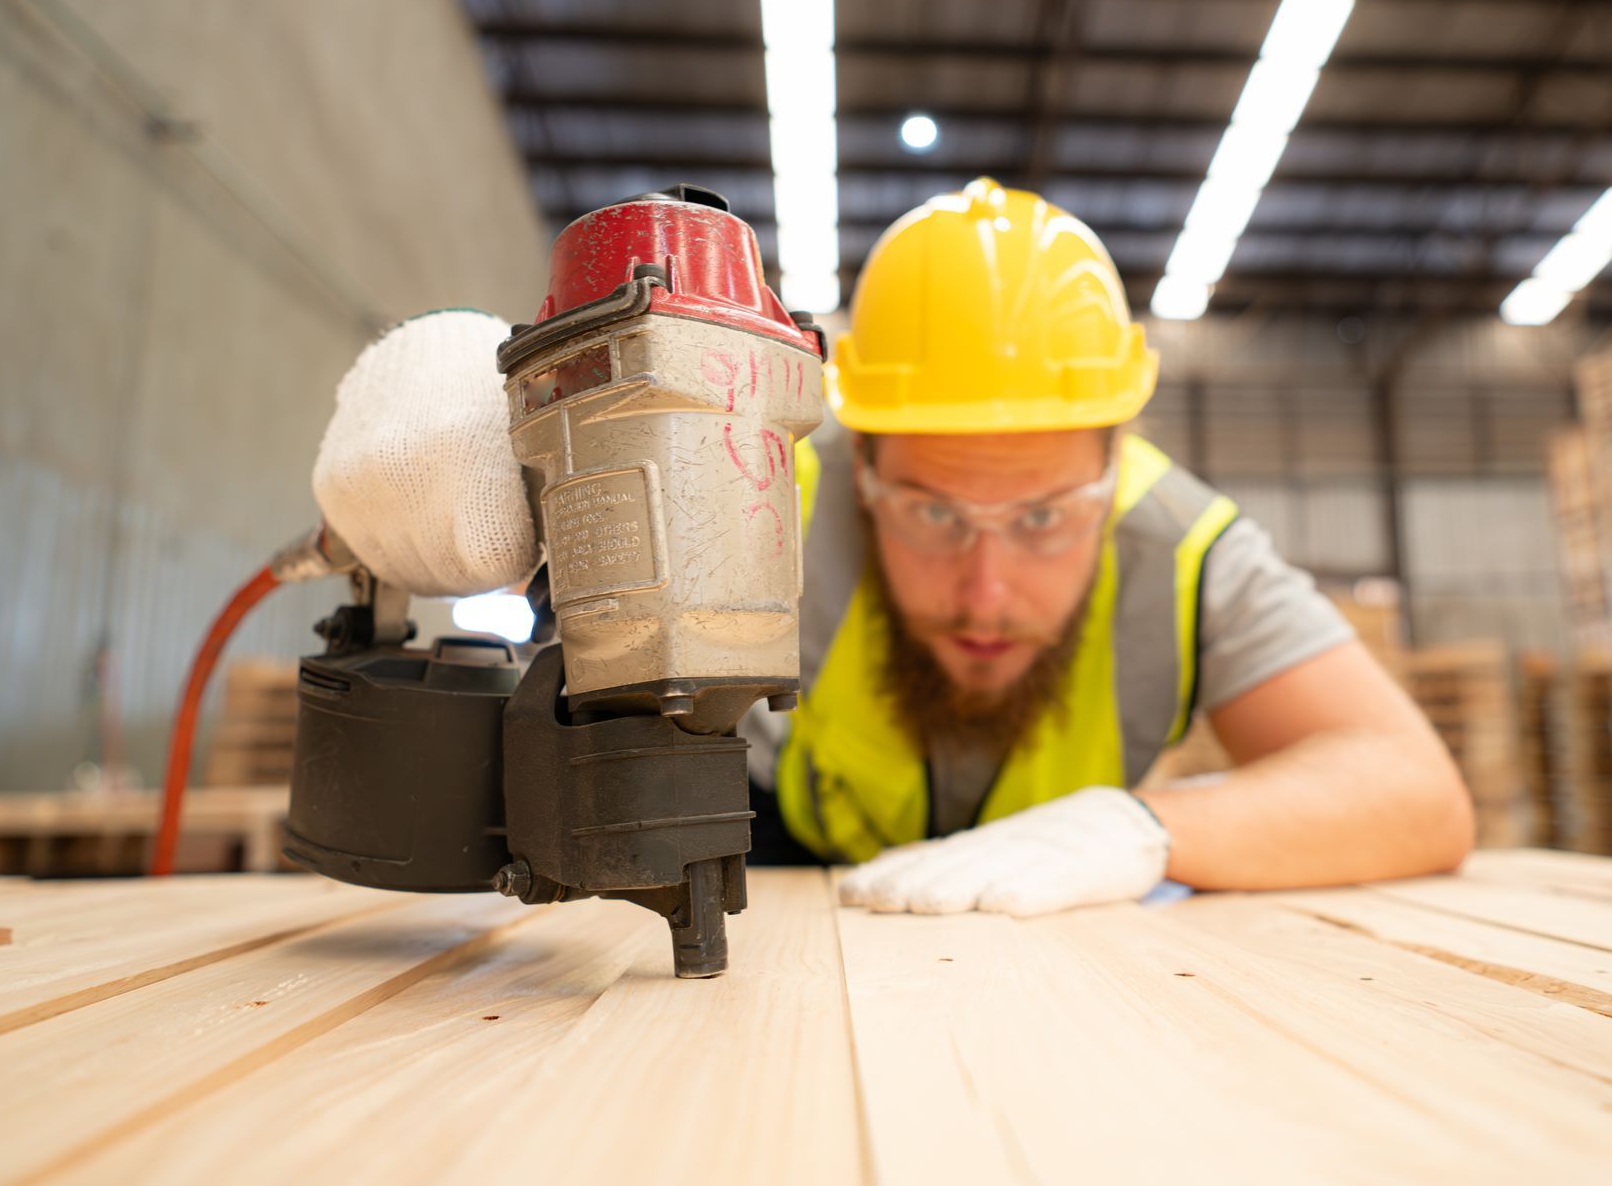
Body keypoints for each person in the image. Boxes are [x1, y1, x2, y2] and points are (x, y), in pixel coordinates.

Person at [314, 179, 1473, 921]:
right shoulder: (760, 494)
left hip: (1070, 945)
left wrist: (1147, 828)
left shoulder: (1188, 549)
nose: (985, 586)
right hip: (779, 892)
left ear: (1115, 465)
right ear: (861, 462)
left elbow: (1415, 791)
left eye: (1044, 516)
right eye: (931, 511)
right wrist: (470, 452)